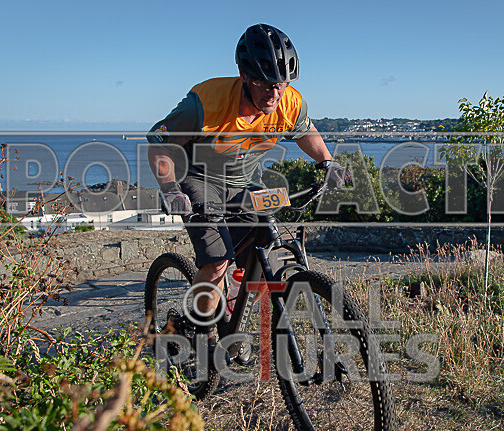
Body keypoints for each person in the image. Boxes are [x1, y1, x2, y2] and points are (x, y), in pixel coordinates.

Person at [146, 23, 351, 354]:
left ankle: (232, 315)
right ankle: (192, 327)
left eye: (281, 85)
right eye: (264, 84)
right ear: (243, 75)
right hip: (197, 177)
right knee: (216, 261)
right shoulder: (206, 102)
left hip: (244, 181)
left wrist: (327, 162)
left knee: (264, 242)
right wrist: (170, 190)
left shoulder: (289, 103)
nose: (274, 94)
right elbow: (158, 144)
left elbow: (304, 131)